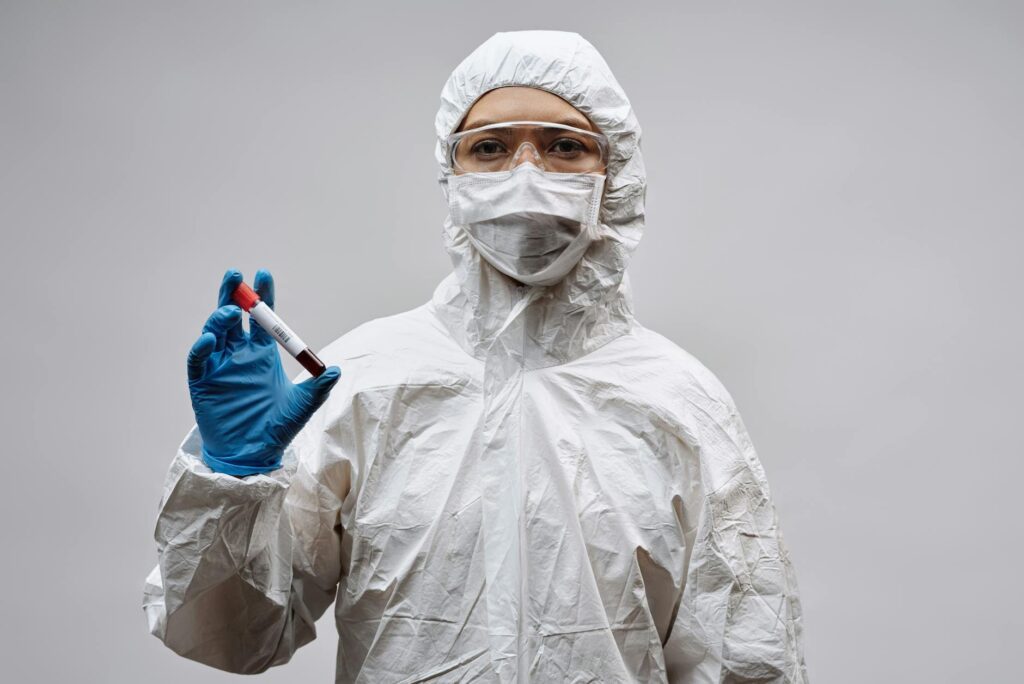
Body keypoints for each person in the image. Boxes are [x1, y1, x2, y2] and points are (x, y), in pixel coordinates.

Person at [143, 30, 808, 683]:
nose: (525, 173)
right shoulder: (368, 380)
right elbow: (233, 640)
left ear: (616, 174)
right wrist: (234, 484)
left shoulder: (677, 402)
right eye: (489, 147)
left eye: (564, 146)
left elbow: (747, 658)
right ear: (452, 172)